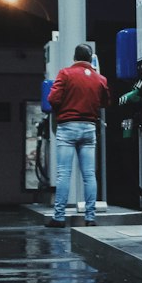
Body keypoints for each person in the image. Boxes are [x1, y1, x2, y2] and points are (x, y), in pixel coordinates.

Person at [47, 44, 109, 227]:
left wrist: (63, 110)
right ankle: (90, 218)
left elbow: (52, 99)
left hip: (67, 128)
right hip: (89, 128)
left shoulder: (65, 74)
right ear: (90, 59)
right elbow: (106, 101)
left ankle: (59, 218)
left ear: (74, 58)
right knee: (89, 175)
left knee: (64, 174)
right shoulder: (100, 78)